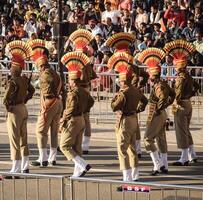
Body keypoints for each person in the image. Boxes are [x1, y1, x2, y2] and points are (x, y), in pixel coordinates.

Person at [109, 52, 148, 181]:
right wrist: (139, 109)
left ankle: (126, 176)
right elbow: (145, 101)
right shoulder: (136, 90)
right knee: (132, 148)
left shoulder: (123, 93)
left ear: (122, 81)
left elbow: (114, 106)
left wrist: (115, 96)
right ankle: (135, 173)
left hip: (125, 120)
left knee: (122, 149)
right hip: (133, 118)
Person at [138, 47, 175, 175]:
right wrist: (165, 106)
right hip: (161, 112)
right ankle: (164, 165)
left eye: (150, 76)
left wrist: (159, 108)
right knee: (161, 139)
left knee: (148, 139)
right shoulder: (163, 83)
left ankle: (157, 165)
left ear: (153, 76)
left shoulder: (158, 86)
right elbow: (172, 94)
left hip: (157, 113)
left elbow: (164, 97)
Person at [164, 39, 200, 166]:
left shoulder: (180, 78)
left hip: (181, 105)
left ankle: (184, 158)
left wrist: (173, 101)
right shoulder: (188, 76)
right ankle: (192, 154)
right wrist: (190, 94)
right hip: (188, 104)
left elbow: (177, 93)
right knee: (186, 130)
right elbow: (197, 86)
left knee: (181, 131)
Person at [3, 40, 35, 177]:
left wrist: (8, 106)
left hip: (15, 111)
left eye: (11, 66)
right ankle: (25, 166)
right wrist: (25, 99)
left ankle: (15, 167)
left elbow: (5, 98)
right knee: (23, 138)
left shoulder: (13, 81)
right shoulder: (24, 79)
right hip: (23, 108)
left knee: (14, 139)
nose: (10, 68)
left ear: (15, 68)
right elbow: (32, 90)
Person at [29, 39, 63, 167]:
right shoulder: (55, 72)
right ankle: (52, 158)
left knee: (41, 131)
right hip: (58, 102)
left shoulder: (45, 75)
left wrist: (37, 83)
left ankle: (42, 158)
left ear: (41, 65)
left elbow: (46, 89)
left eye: (39, 67)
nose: (38, 69)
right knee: (54, 131)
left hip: (49, 103)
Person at [60, 52, 94, 177]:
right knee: (77, 147)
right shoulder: (84, 91)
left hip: (73, 120)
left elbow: (70, 108)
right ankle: (77, 172)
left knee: (64, 146)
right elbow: (91, 101)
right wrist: (84, 109)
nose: (68, 81)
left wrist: (64, 118)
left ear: (73, 80)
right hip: (81, 119)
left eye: (69, 79)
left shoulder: (73, 93)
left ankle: (83, 164)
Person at [69, 29, 97, 154]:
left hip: (82, 91)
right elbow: (92, 76)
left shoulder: (85, 65)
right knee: (81, 117)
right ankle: (80, 143)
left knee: (82, 116)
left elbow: (88, 77)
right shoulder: (86, 65)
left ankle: (84, 144)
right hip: (82, 90)